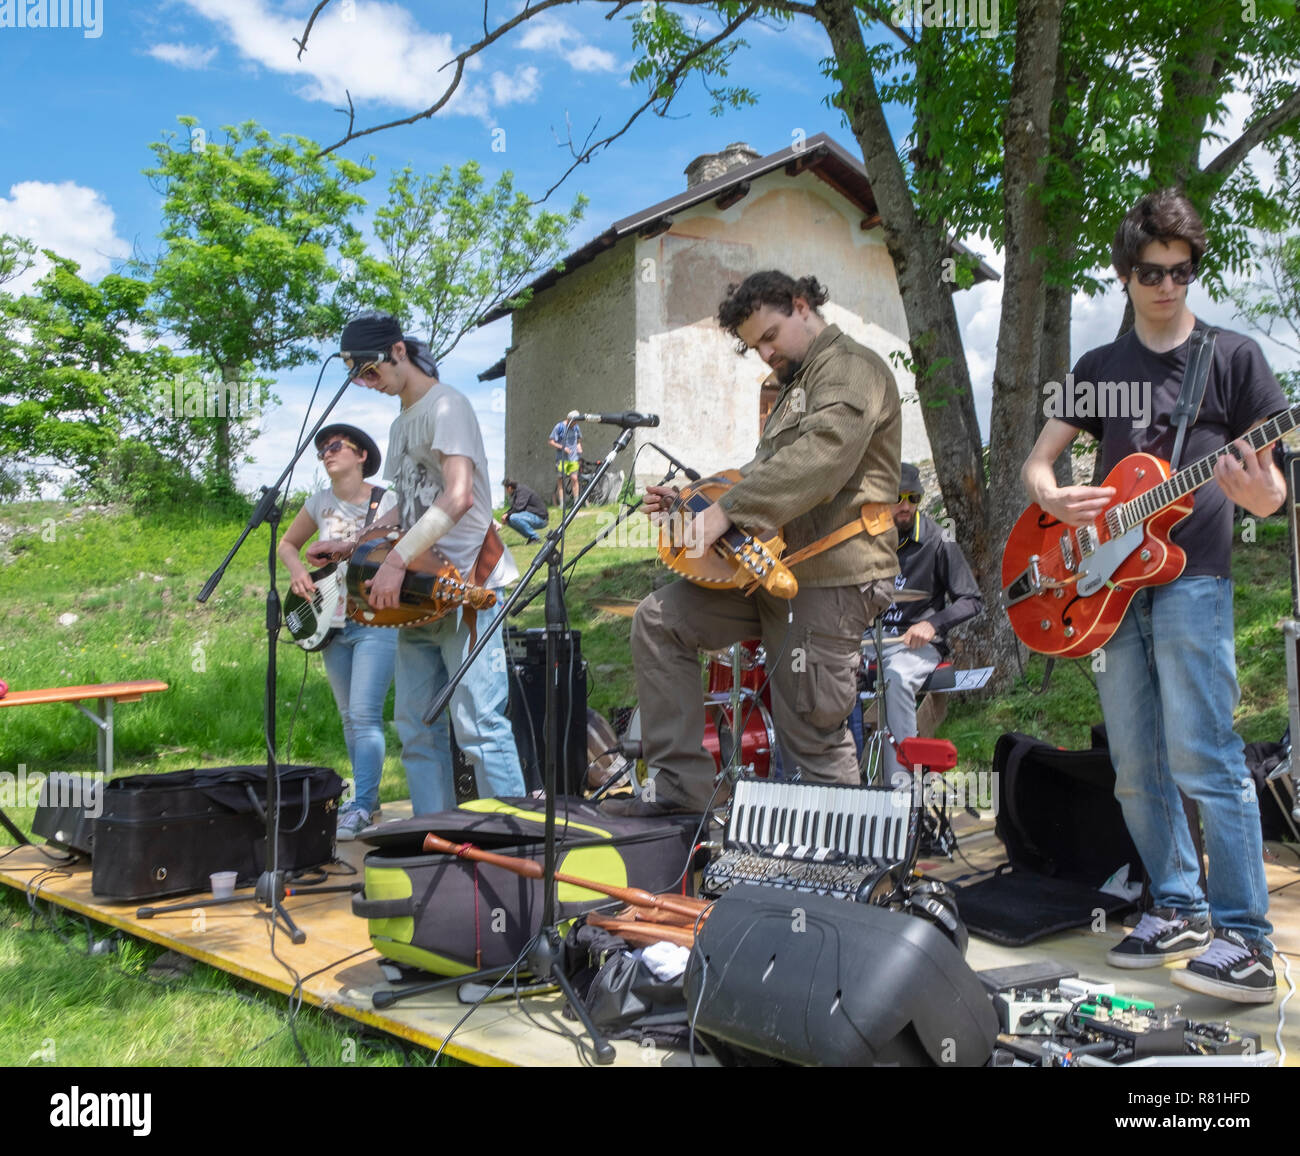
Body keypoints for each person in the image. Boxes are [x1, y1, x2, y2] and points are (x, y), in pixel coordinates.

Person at [1020, 189, 1286, 1003]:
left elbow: (1273, 494)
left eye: (1181, 270)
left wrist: (1257, 495)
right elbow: (1038, 465)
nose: (1168, 285)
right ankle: (1177, 905)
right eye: (1151, 271)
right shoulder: (1099, 370)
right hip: (1102, 588)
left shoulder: (1233, 357)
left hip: (1192, 579)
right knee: (1135, 764)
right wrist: (1056, 498)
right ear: (1126, 273)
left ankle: (1246, 936)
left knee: (1205, 756)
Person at [604, 271, 901, 817]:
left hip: (832, 578)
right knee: (659, 621)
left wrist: (727, 511)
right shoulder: (797, 386)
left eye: (770, 336)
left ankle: (850, 879)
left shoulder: (851, 368)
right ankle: (681, 803)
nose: (764, 353)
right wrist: (689, 500)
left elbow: (822, 456)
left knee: (810, 735)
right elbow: (760, 473)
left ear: (801, 305)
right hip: (770, 574)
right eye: (754, 345)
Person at [310, 312, 526, 816]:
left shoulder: (447, 405)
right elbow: (406, 502)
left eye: (370, 371)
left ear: (399, 351)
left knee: (479, 726)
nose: (368, 383)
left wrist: (396, 559)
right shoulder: (400, 420)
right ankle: (437, 839)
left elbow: (459, 498)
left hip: (468, 587)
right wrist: (356, 545)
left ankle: (521, 846)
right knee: (415, 725)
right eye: (357, 376)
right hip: (419, 594)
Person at [278, 424, 398, 839]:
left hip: (376, 620)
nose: (326, 454)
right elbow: (287, 545)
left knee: (365, 714)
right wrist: (297, 573)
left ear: (361, 455)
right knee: (349, 717)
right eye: (321, 450)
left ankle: (362, 805)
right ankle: (369, 799)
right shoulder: (319, 502)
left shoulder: (387, 501)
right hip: (331, 621)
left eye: (334, 447)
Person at [872, 462, 983, 743]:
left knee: (896, 678)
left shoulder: (938, 539)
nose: (906, 506)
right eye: (898, 498)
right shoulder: (869, 542)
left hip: (918, 646)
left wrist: (932, 624)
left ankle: (900, 782)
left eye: (913, 498)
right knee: (827, 672)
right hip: (873, 639)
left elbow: (971, 599)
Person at [548, 411, 583, 504]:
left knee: (574, 478)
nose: (575, 424)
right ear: (569, 419)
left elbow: (578, 440)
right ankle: (562, 504)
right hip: (562, 459)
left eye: (576, 422)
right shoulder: (559, 427)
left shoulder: (576, 427)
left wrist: (579, 447)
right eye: (574, 422)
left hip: (573, 458)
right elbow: (551, 441)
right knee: (561, 481)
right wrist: (563, 448)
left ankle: (576, 502)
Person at [502, 477, 548, 544]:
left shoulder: (522, 491)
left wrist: (507, 514)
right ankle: (531, 537)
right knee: (508, 520)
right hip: (533, 517)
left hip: (541, 519)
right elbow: (514, 508)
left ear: (509, 487)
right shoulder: (517, 492)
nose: (506, 491)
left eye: (506, 489)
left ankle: (535, 537)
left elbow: (518, 508)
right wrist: (506, 515)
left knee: (513, 517)